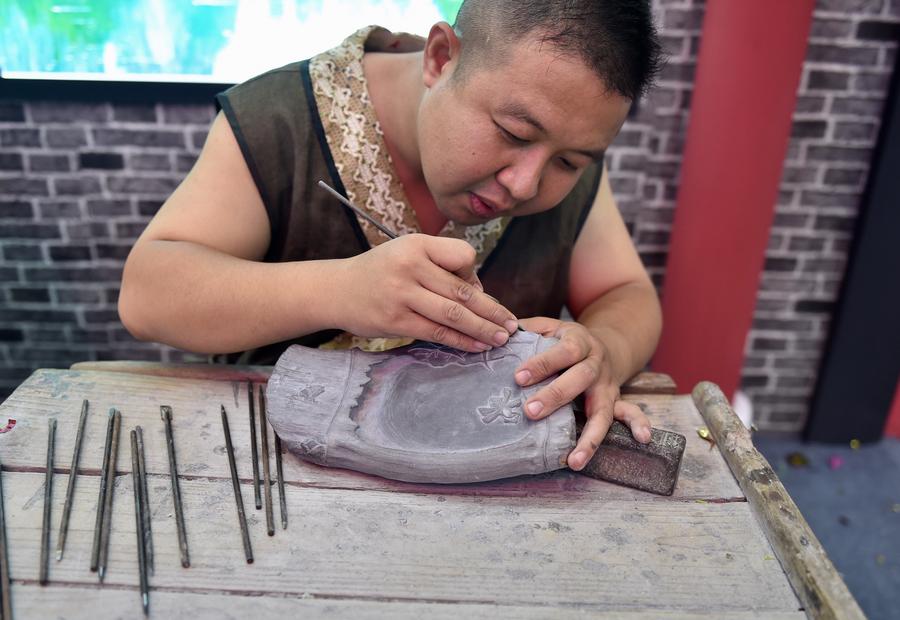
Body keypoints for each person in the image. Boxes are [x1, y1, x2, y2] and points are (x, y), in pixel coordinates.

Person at [119, 0, 665, 472]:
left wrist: (605, 350)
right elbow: (149, 294)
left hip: (491, 495)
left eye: (570, 161)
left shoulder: (560, 139)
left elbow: (627, 296)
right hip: (265, 476)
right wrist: (338, 290)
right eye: (512, 133)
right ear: (440, 59)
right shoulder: (283, 120)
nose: (525, 183)